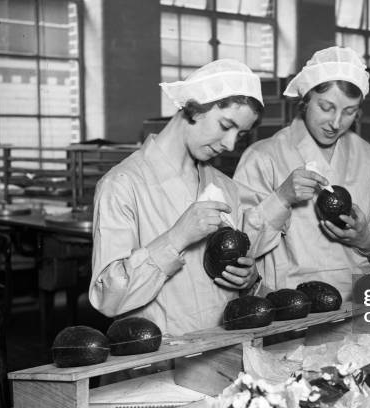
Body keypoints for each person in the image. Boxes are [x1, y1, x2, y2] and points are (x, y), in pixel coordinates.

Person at [89, 60, 269, 336]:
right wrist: (176, 238)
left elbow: (237, 275)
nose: (230, 144)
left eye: (240, 134)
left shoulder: (225, 186)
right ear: (194, 108)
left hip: (222, 356)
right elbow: (108, 300)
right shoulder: (122, 185)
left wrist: (248, 277)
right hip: (154, 364)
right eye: (225, 125)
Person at [233, 46, 370, 303]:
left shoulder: (367, 156)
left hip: (354, 307)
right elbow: (240, 250)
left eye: (349, 112)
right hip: (289, 309)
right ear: (306, 100)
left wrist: (365, 238)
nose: (336, 123)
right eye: (326, 107)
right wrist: (282, 198)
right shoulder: (262, 157)